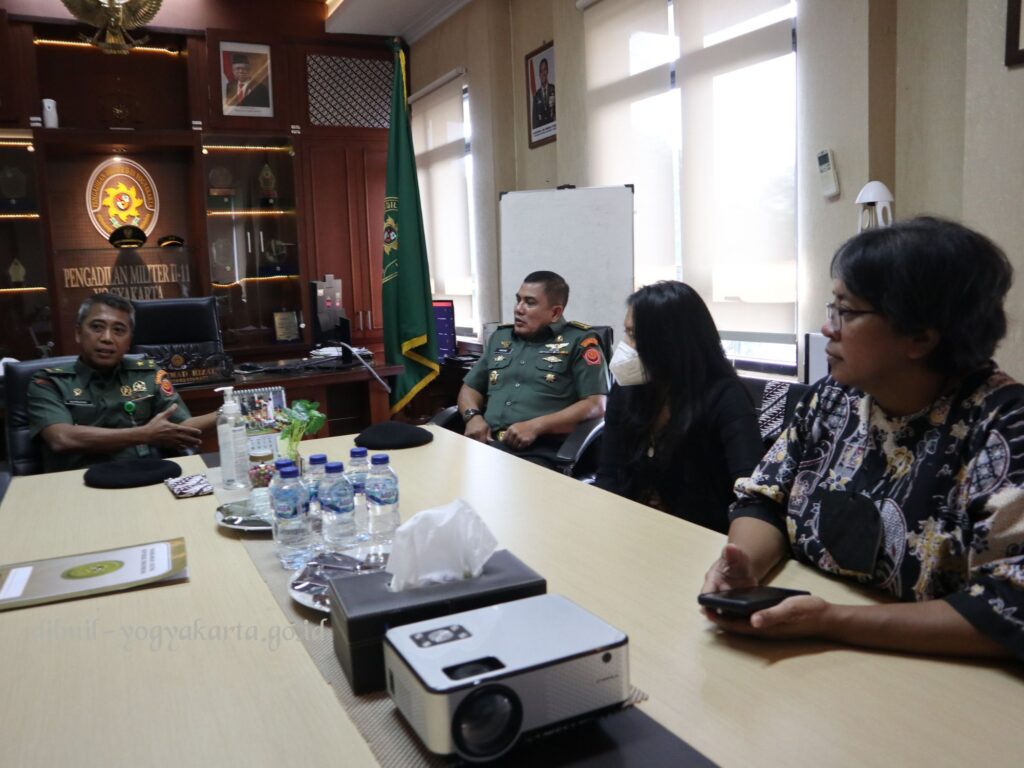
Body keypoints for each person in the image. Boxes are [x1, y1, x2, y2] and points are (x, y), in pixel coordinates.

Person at [701, 217, 1024, 661]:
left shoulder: (1004, 426)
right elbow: (765, 500)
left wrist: (832, 621)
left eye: (847, 312)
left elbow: (1010, 605)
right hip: (821, 660)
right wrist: (741, 567)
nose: (828, 328)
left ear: (920, 336)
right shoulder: (833, 398)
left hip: (935, 676)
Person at [595, 281, 762, 532]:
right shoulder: (628, 387)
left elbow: (750, 492)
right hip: (630, 524)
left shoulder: (727, 397)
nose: (626, 347)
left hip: (700, 532)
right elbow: (609, 473)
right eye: (627, 333)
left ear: (670, 342)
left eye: (635, 336)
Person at [28, 293, 217, 473]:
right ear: (78, 333)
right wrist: (144, 434)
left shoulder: (147, 374)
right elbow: (61, 438)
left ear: (129, 341)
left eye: (118, 330)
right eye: (97, 327)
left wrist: (227, 412)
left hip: (142, 476)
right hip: (76, 482)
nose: (107, 338)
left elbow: (181, 427)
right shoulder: (49, 382)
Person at [457, 271, 608, 469]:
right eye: (518, 300)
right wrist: (472, 417)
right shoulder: (501, 338)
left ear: (555, 313)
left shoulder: (580, 341)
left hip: (541, 451)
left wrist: (536, 426)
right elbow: (470, 387)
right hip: (487, 443)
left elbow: (596, 404)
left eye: (529, 303)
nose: (518, 309)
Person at [532, 57, 555, 128]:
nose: (543, 74)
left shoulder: (553, 89)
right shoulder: (536, 95)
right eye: (541, 71)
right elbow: (534, 121)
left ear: (547, 71)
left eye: (544, 70)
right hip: (541, 131)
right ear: (539, 74)